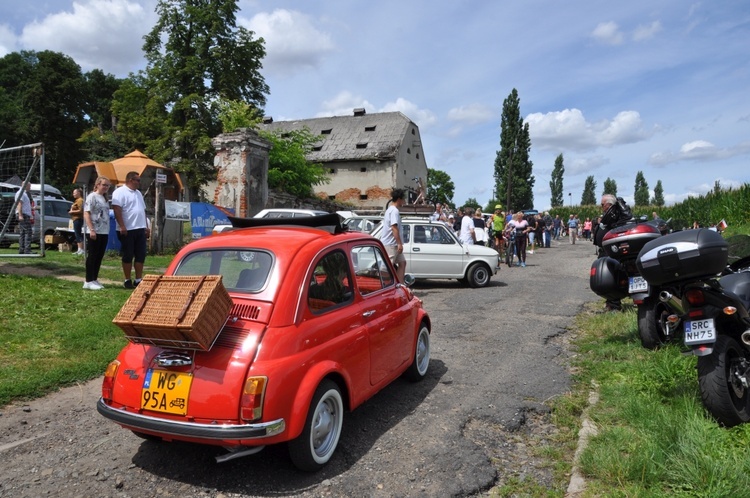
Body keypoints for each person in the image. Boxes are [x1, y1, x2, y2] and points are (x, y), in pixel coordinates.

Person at [593, 194, 635, 311]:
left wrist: (620, 204)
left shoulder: (618, 213)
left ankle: (614, 304)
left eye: (602, 205)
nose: (601, 207)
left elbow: (627, 218)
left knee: (611, 276)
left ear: (609, 204)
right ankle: (611, 302)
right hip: (606, 250)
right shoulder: (610, 215)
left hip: (613, 251)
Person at [112, 171, 150, 289]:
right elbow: (117, 210)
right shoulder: (120, 192)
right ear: (130, 180)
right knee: (128, 254)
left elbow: (142, 210)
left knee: (141, 254)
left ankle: (138, 279)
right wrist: (122, 226)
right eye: (137, 180)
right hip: (127, 229)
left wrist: (146, 226)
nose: (139, 183)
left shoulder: (138, 193)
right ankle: (127, 279)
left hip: (140, 228)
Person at [82, 177, 112, 290]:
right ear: (98, 184)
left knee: (99, 256)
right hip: (94, 230)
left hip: (104, 230)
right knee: (92, 255)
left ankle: (94, 278)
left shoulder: (104, 198)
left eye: (108, 185)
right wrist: (92, 229)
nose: (106, 187)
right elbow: (86, 213)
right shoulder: (92, 196)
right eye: (104, 185)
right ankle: (88, 280)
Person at [380, 188, 407, 282]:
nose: (404, 201)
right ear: (399, 199)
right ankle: (382, 286)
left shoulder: (390, 210)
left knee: (402, 263)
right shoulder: (394, 211)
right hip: (390, 244)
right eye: (403, 199)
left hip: (393, 243)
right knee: (387, 267)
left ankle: (400, 285)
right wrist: (399, 243)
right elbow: (394, 227)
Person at [15, 183, 33, 255]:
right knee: (28, 232)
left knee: (23, 233)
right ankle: (27, 250)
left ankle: (22, 249)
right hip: (23, 215)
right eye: (29, 186)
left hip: (24, 214)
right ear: (25, 185)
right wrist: (20, 215)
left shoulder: (24, 193)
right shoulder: (21, 193)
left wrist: (32, 208)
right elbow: (19, 204)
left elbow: (24, 205)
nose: (30, 188)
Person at [69, 188, 84, 255]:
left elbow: (81, 210)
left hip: (78, 219)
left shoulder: (80, 200)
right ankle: (79, 249)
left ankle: (81, 249)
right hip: (75, 219)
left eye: (74, 193)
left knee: (78, 234)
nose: (73, 194)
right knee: (77, 234)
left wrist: (72, 211)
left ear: (79, 193)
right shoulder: (76, 200)